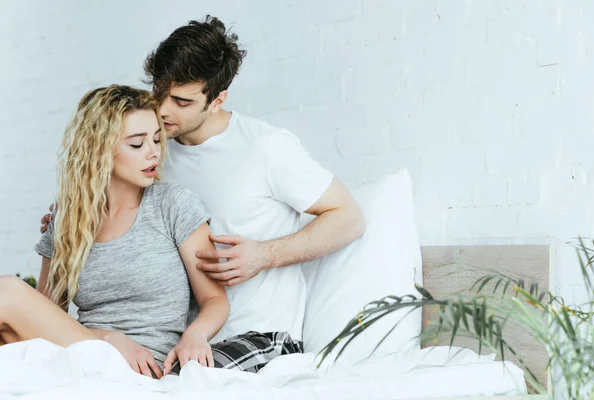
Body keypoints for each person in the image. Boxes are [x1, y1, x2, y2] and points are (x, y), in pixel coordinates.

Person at [42, 15, 365, 373]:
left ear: (216, 99)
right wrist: (75, 211)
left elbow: (348, 217)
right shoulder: (155, 148)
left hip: (256, 334)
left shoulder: (265, 148)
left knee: (184, 385)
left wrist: (265, 254)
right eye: (159, 91)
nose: (163, 109)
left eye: (181, 101)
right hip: (177, 343)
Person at [4, 84, 229, 379]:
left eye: (157, 140)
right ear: (100, 149)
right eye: (137, 144)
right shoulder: (68, 220)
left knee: (6, 291)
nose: (153, 153)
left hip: (146, 366)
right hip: (85, 356)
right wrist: (107, 339)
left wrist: (195, 336)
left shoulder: (173, 204)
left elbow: (215, 300)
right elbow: (46, 316)